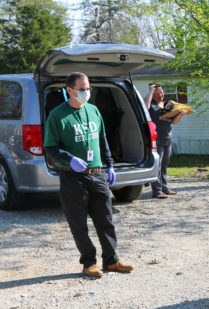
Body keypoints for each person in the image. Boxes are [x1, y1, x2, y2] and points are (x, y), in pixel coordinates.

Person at [44, 72, 133, 278]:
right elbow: (50, 148)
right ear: (70, 90)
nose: (87, 92)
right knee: (79, 223)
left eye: (88, 88)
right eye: (82, 89)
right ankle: (89, 263)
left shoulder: (93, 111)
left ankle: (111, 261)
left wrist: (109, 165)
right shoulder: (58, 115)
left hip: (98, 173)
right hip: (73, 177)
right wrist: (69, 159)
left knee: (106, 220)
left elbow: (102, 139)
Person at [143, 83, 187, 199]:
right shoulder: (151, 104)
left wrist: (180, 115)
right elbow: (145, 106)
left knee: (164, 165)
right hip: (156, 139)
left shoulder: (168, 104)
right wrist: (150, 91)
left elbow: (174, 122)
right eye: (157, 94)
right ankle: (157, 191)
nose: (160, 95)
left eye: (161, 93)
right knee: (157, 165)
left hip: (168, 138)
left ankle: (164, 188)